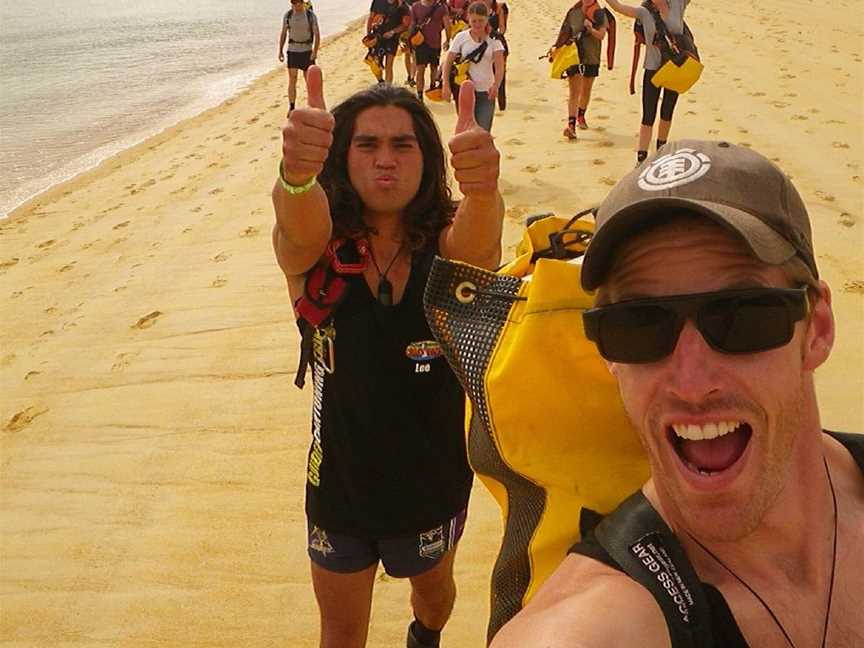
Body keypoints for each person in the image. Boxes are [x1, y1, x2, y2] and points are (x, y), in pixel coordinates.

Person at [491, 140, 864, 647]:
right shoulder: (594, 621)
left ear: (816, 328)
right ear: (610, 355)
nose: (692, 383)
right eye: (638, 326)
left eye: (741, 316)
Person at [272, 66, 504, 648]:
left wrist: (483, 191)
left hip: (432, 484)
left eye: (403, 145)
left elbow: (478, 250)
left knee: (435, 599)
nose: (385, 160)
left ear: (427, 158)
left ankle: (424, 637)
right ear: (342, 157)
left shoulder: (446, 243)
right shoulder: (317, 254)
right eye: (367, 144)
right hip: (338, 489)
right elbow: (296, 229)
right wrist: (297, 177)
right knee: (340, 633)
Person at [606, 0, 688, 165]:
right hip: (652, 68)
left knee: (667, 112)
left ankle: (660, 153)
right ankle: (641, 159)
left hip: (675, 66)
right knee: (648, 115)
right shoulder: (644, 12)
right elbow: (618, 7)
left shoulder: (678, 3)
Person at [441, 2, 505, 132]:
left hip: (486, 91)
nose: (477, 24)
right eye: (474, 21)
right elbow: (448, 62)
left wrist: (496, 86)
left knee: (483, 131)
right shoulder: (461, 37)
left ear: (487, 19)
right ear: (468, 19)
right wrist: (446, 85)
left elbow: (499, 67)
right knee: (466, 130)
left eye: (481, 20)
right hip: (464, 90)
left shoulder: (494, 39)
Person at [553, 0, 609, 139]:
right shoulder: (573, 11)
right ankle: (571, 126)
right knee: (574, 92)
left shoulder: (599, 13)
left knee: (586, 90)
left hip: (591, 57)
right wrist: (555, 48)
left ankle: (581, 115)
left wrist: (590, 29)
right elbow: (565, 31)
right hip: (573, 55)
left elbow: (601, 35)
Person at [278, 0, 321, 115]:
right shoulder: (288, 15)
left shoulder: (310, 15)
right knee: (292, 79)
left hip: (307, 51)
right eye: (293, 2)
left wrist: (315, 51)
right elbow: (283, 33)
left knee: (309, 80)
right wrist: (280, 50)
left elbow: (317, 34)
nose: (296, 5)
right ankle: (292, 107)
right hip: (292, 51)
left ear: (302, 2)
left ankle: (312, 105)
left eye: (298, 2)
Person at [409, 0, 451, 102]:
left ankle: (431, 87)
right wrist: (409, 40)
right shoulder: (415, 6)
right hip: (420, 42)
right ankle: (420, 95)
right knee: (421, 69)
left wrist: (448, 39)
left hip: (435, 42)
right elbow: (412, 24)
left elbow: (447, 24)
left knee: (433, 67)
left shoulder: (441, 7)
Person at [368, 0, 412, 84]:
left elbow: (405, 25)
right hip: (377, 37)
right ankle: (380, 81)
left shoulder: (402, 6)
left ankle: (387, 87)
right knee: (374, 63)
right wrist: (368, 34)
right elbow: (371, 17)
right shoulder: (377, 2)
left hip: (392, 39)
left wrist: (393, 32)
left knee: (389, 65)